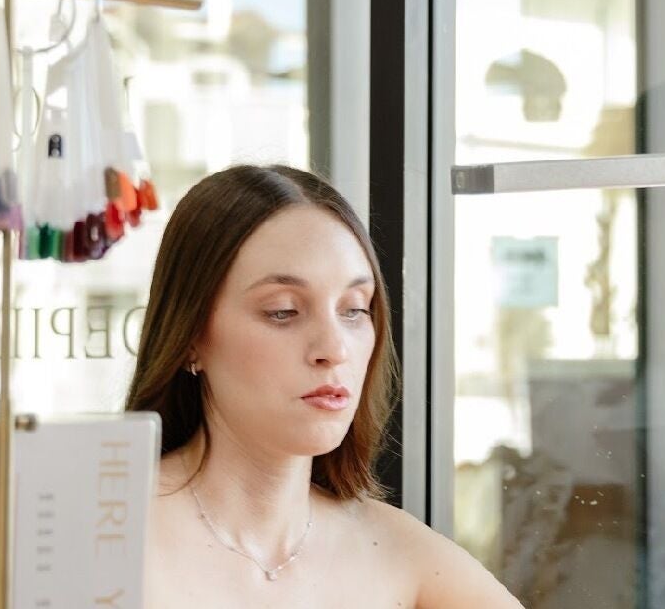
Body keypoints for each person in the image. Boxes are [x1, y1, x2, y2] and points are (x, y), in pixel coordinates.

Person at [127, 165, 522, 607]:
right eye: (283, 311)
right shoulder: (103, 530)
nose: (334, 348)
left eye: (354, 310)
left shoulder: (401, 557)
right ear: (190, 338)